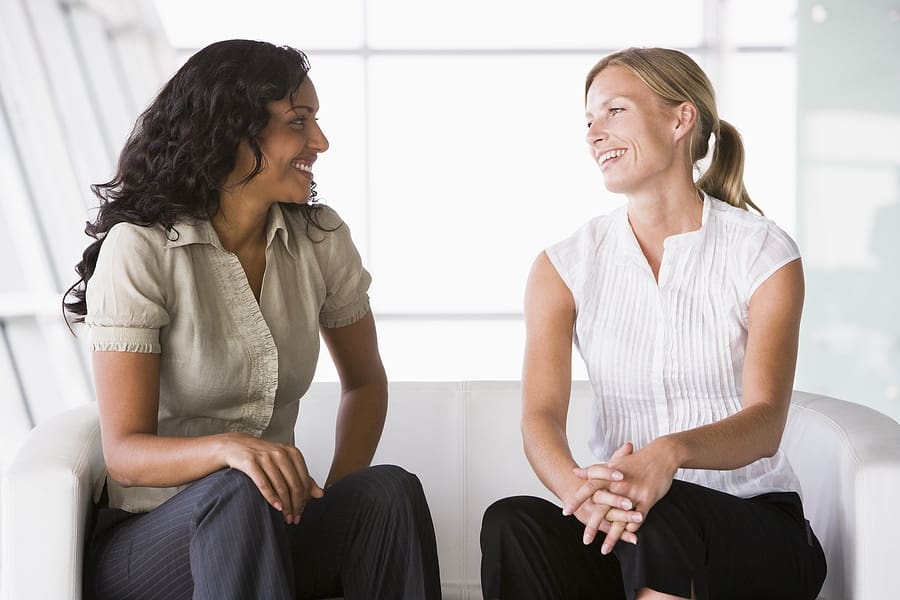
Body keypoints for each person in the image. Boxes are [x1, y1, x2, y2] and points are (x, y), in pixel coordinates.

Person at [64, 39, 441, 600]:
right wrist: (230, 449)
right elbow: (125, 454)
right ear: (231, 133)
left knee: (386, 490)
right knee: (236, 489)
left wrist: (332, 495)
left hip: (267, 522)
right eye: (299, 122)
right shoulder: (140, 249)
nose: (320, 142)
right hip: (151, 542)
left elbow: (364, 383)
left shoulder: (321, 239)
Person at [480, 47, 827, 600]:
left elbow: (765, 424)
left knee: (661, 513)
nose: (594, 133)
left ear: (680, 118)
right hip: (633, 523)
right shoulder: (563, 266)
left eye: (614, 111)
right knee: (511, 521)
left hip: (755, 526)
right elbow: (539, 417)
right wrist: (582, 491)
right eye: (589, 119)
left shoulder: (762, 252)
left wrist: (669, 453)